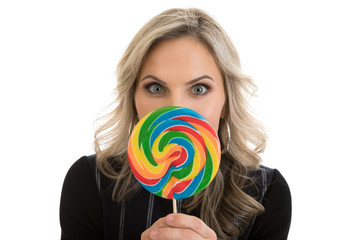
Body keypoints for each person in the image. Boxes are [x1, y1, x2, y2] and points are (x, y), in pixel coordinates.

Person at [60, 8, 291, 240]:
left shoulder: (267, 193)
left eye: (199, 89)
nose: (176, 107)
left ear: (226, 102)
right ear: (133, 98)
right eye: (156, 88)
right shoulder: (89, 182)